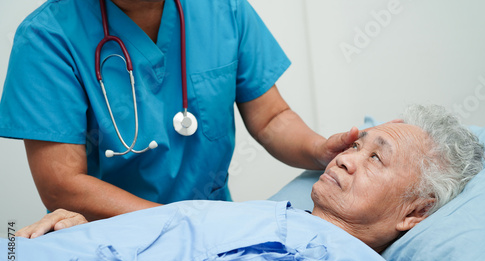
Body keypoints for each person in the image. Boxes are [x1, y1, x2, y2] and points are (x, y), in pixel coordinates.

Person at [1, 106, 484, 261]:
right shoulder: (258, 216)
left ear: (414, 213)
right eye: (358, 144)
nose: (345, 158)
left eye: (377, 159)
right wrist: (94, 236)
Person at [0, 0, 359, 231]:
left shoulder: (223, 10)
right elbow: (61, 183)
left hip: (213, 232)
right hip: (112, 238)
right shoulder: (47, 36)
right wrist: (179, 223)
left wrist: (319, 148)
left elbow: (271, 118)